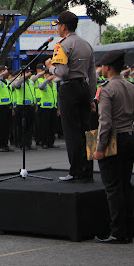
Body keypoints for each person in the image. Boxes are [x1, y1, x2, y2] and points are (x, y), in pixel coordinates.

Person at [92, 50, 134, 244]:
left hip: (113, 140)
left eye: (102, 66)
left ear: (107, 67)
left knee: (113, 188)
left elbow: (105, 122)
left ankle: (117, 232)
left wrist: (99, 147)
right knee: (125, 185)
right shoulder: (132, 87)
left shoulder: (106, 89)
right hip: (129, 137)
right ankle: (128, 230)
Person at [46, 11, 96, 182]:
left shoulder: (62, 45)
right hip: (84, 87)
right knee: (87, 130)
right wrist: (92, 98)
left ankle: (75, 170)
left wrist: (50, 67)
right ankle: (88, 170)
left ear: (64, 27)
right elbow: (92, 75)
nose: (58, 29)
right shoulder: (86, 45)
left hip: (69, 89)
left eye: (58, 26)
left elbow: (63, 72)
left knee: (72, 131)